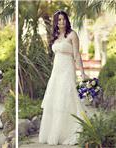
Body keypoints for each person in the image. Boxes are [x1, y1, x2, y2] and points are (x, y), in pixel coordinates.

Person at [39, 10, 89, 145]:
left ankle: (72, 130)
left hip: (67, 70)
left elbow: (77, 56)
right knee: (56, 99)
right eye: (59, 20)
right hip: (56, 72)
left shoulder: (72, 35)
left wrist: (82, 73)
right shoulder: (55, 36)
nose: (62, 22)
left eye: (64, 19)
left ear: (67, 20)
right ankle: (57, 132)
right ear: (56, 22)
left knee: (67, 97)